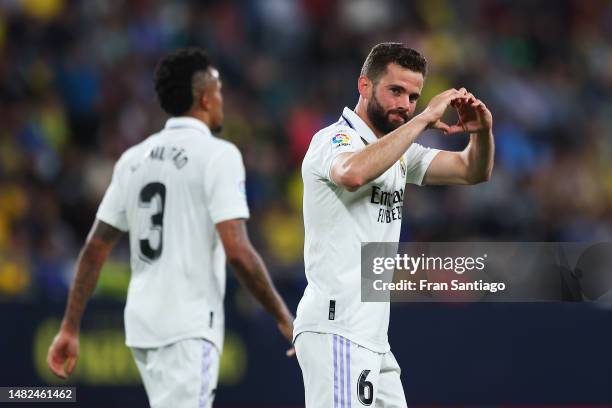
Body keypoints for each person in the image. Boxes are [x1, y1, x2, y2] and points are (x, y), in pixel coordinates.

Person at [47, 48, 295, 408]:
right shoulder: (219, 155)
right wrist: (282, 315)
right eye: (220, 90)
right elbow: (238, 252)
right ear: (206, 97)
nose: (222, 99)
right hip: (188, 326)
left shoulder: (134, 159)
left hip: (142, 326)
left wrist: (70, 326)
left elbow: (94, 248)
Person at [293, 42, 494, 407]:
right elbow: (351, 173)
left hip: (372, 337)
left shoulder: (397, 152)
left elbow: (471, 171)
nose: (405, 104)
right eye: (395, 90)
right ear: (365, 86)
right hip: (338, 326)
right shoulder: (334, 139)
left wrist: (481, 132)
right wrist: (422, 120)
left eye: (414, 96)